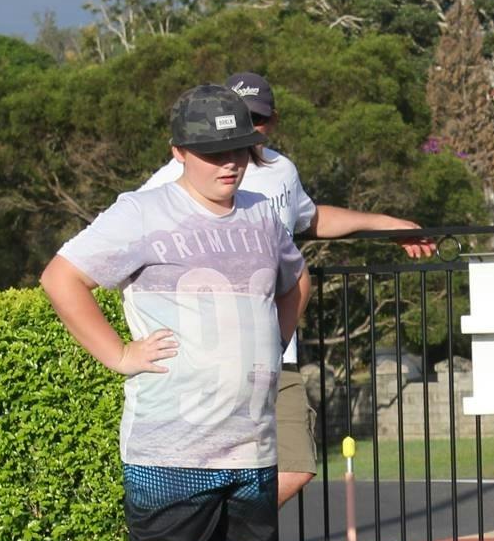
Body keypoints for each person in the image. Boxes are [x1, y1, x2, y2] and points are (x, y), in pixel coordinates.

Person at [43, 86, 306, 541]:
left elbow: (294, 283)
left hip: (250, 442)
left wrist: (267, 346)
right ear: (179, 153)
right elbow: (62, 277)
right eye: (215, 153)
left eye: (241, 150)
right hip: (170, 447)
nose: (232, 165)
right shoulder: (142, 213)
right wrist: (117, 354)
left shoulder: (262, 214)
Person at [142, 71, 435, 512]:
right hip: (207, 357)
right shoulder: (178, 175)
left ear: (272, 122)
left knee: (295, 465)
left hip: (276, 350)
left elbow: (311, 219)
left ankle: (220, 533)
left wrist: (387, 223)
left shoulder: (281, 172)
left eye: (256, 120)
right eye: (238, 119)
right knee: (207, 472)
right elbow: (129, 240)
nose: (247, 131)